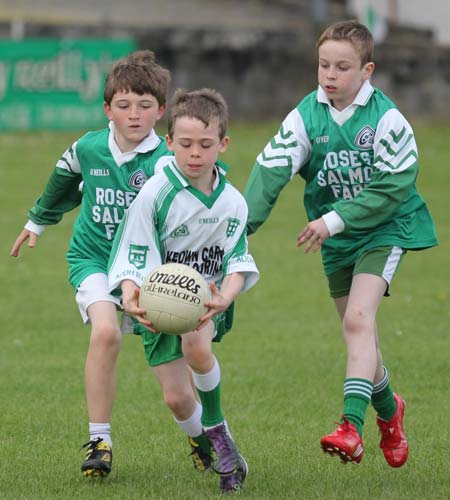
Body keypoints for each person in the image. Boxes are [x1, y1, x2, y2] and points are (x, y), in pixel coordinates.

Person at [244, 20, 438, 466]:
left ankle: (350, 427)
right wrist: (234, 232)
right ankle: (390, 412)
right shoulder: (306, 116)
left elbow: (393, 187)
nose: (330, 75)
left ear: (367, 70)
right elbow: (269, 173)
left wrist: (333, 220)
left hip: (386, 228)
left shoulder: (387, 120)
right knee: (359, 336)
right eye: (323, 65)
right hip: (336, 238)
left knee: (357, 320)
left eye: (343, 67)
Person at [10, 50, 185, 477]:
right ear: (108, 109)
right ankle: (99, 441)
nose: (134, 114)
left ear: (160, 111)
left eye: (145, 106)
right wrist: (37, 220)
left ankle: (202, 435)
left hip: (148, 271)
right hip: (93, 259)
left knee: (176, 394)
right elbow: (62, 178)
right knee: (105, 333)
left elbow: (191, 211)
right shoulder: (88, 147)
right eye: (123, 105)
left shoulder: (167, 162)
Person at [108, 88, 259, 493]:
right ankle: (209, 442)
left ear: (222, 144)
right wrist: (130, 294)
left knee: (196, 345)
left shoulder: (232, 202)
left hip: (207, 297)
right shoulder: (155, 194)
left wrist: (225, 297)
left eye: (206, 145)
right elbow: (133, 251)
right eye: (186, 144)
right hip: (155, 300)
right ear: (169, 142)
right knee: (175, 399)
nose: (195, 153)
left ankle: (217, 430)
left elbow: (238, 261)